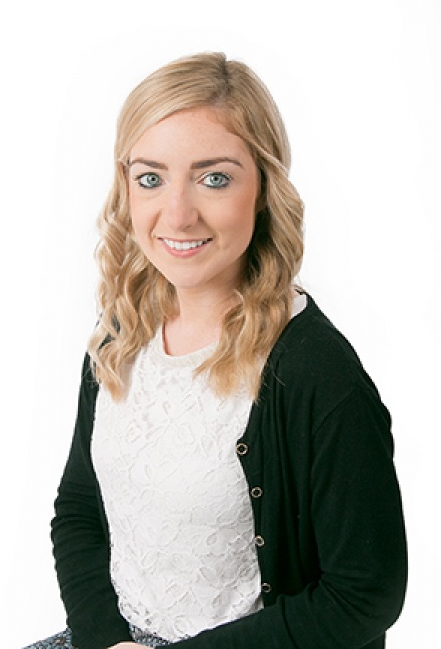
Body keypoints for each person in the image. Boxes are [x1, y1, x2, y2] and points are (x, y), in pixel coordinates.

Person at [25, 52, 407, 649]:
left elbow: (363, 595)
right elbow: (78, 508)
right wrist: (108, 641)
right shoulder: (120, 333)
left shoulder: (317, 373)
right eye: (150, 178)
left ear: (264, 189)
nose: (177, 214)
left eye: (214, 178)